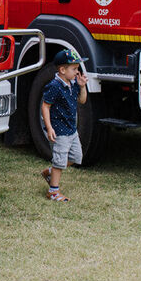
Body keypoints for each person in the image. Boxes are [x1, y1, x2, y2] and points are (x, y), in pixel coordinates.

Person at [40, 48, 88, 201]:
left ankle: (50, 171)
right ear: (62, 70)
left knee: (76, 156)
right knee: (60, 161)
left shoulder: (72, 83)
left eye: (77, 68)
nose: (77, 72)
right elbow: (45, 106)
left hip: (71, 130)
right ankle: (53, 191)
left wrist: (82, 86)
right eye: (74, 69)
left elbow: (82, 100)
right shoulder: (54, 86)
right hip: (59, 131)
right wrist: (49, 128)